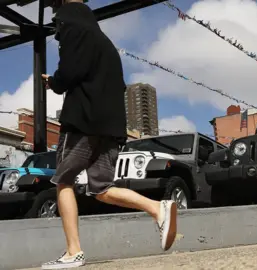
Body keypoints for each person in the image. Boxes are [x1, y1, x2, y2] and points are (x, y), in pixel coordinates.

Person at [40, 1, 178, 269]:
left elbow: (69, 73)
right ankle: (157, 209)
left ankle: (73, 252)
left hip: (83, 122)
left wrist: (53, 82)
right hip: (111, 126)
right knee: (101, 187)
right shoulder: (104, 41)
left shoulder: (72, 28)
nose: (56, 29)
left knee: (63, 181)